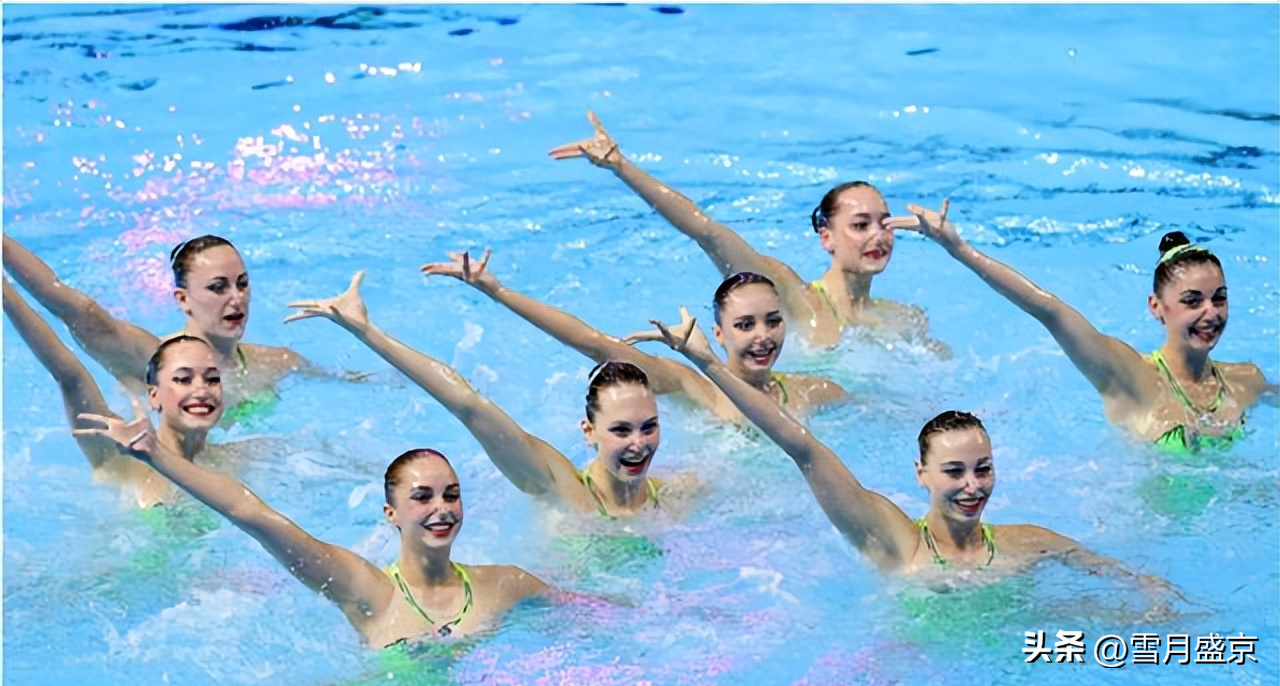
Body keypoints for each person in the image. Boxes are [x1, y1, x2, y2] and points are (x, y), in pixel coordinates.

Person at [646, 307, 1178, 611]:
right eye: (954, 471)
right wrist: (709, 364)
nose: (973, 485)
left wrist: (1155, 597)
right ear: (920, 475)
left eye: (982, 468)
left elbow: (1116, 575)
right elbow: (803, 448)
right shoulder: (894, 540)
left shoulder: (1027, 542)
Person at [73, 403, 551, 647]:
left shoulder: (502, 584)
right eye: (421, 497)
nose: (441, 508)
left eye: (451, 494)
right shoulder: (368, 591)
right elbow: (252, 515)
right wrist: (155, 454)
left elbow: (596, 613)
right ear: (391, 514)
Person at [285, 272, 689, 519]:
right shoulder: (559, 487)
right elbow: (469, 405)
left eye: (648, 427)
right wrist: (368, 333)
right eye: (620, 430)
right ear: (588, 431)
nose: (638, 443)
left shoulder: (675, 495)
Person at [888, 201, 1278, 453]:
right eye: (1193, 301)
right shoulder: (1130, 376)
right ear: (1157, 308)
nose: (1211, 313)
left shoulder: (1246, 380)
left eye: (1219, 298)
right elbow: (1049, 310)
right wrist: (960, 249)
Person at [549, 111, 949, 353]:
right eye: (860, 225)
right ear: (825, 236)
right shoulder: (791, 297)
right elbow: (707, 231)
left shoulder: (906, 319)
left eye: (884, 222)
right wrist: (622, 167)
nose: (877, 236)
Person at [421, 249, 846, 422]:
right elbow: (593, 343)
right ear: (717, 333)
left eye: (773, 321)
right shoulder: (692, 386)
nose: (763, 337)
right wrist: (498, 292)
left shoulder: (815, 391)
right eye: (745, 325)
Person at [3, 234, 325, 420]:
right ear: (183, 299)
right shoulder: (153, 361)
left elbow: (366, 384)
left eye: (242, 285)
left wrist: (362, 330)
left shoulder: (278, 362)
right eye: (218, 288)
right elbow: (77, 309)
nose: (236, 299)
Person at [4, 277, 226, 507]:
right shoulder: (120, 458)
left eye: (212, 379)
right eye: (183, 379)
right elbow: (68, 374)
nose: (201, 389)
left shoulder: (246, 458)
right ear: (153, 395)